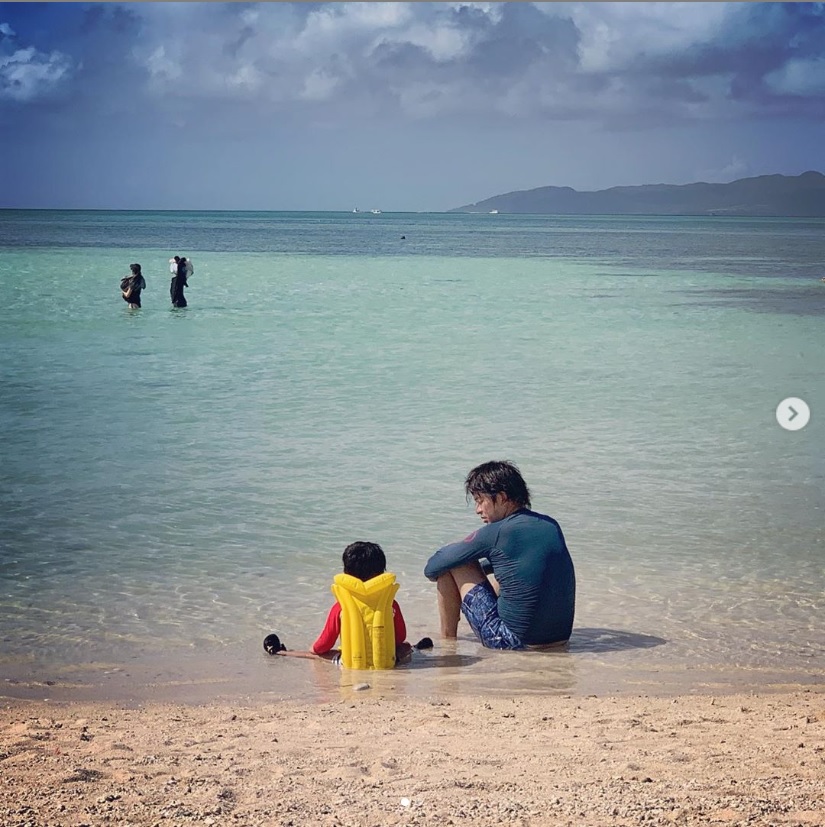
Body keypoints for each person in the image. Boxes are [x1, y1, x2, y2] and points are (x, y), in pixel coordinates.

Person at [424, 460, 575, 650]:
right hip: (560, 638)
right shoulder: (551, 525)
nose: (477, 510)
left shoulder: (497, 531)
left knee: (453, 563)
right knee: (499, 572)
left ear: (502, 497)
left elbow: (432, 567)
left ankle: (447, 641)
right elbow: (518, 565)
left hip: (511, 642)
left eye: (480, 501)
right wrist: (485, 568)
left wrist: (469, 567)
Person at [267, 541, 415, 665]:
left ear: (346, 573)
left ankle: (282, 652)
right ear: (382, 573)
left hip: (350, 662)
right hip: (388, 662)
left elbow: (324, 644)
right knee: (406, 646)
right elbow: (400, 637)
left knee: (318, 654)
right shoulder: (390, 604)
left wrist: (314, 648)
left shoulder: (341, 606)